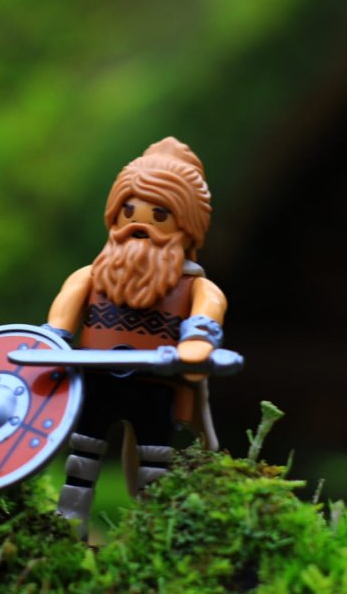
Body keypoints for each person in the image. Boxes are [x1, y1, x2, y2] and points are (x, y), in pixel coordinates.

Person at [42, 137, 228, 536]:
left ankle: (149, 532)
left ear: (187, 227)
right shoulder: (90, 277)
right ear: (115, 218)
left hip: (154, 384)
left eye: (159, 215)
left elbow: (207, 313)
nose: (140, 226)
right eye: (129, 212)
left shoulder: (195, 287)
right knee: (83, 452)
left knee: (154, 458)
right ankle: (69, 523)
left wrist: (197, 341)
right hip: (97, 381)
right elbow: (59, 320)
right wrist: (52, 339)